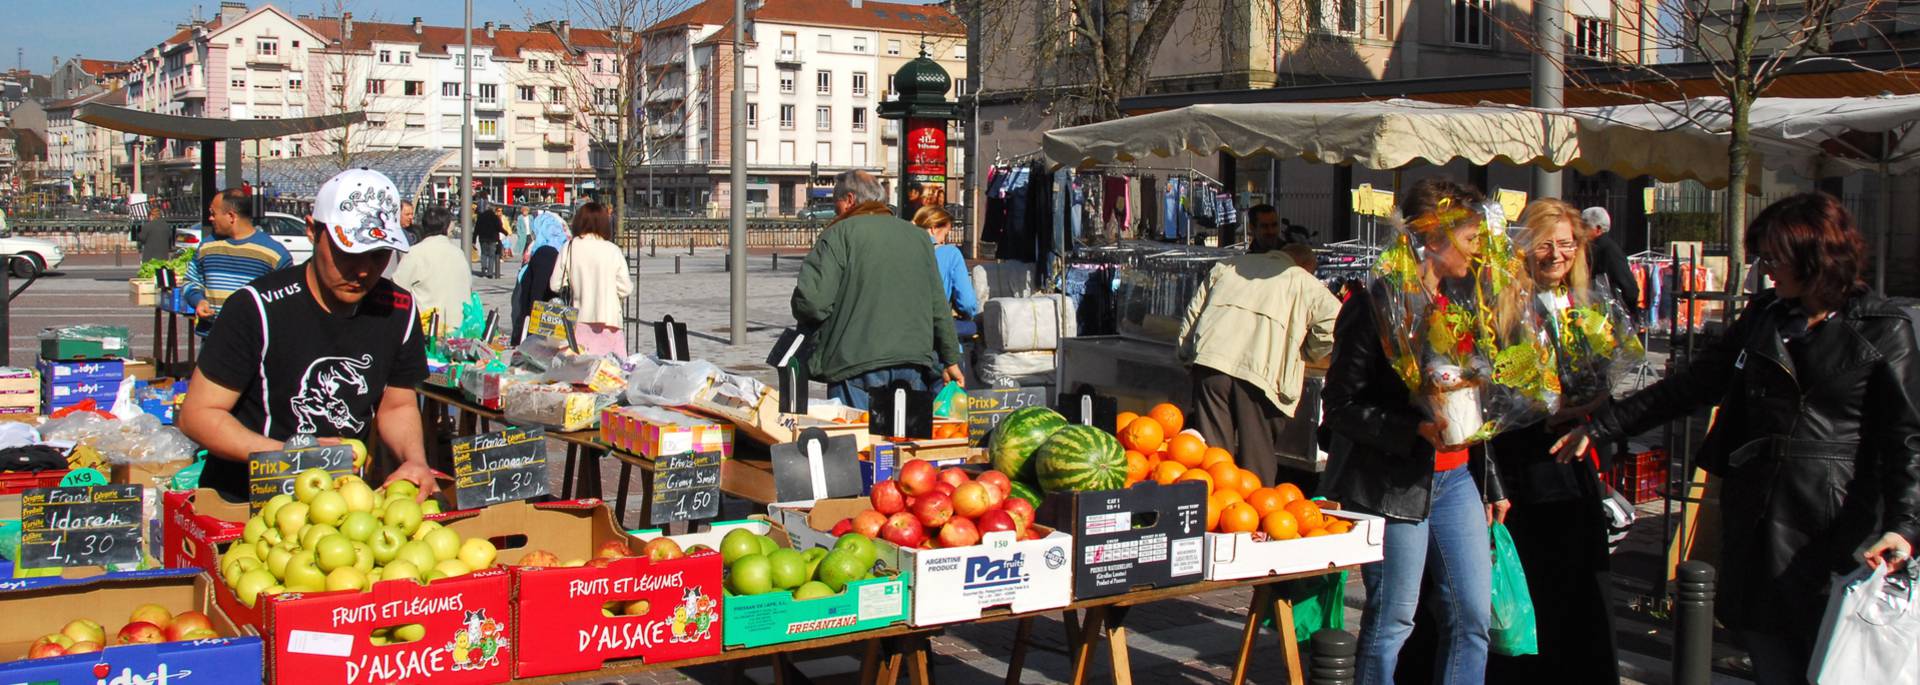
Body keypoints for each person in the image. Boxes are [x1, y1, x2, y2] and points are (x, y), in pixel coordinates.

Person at [1554, 192, 1920, 685]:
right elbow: (1691, 385)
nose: (1765, 269)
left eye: (1774, 257)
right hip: (1758, 509)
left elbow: (1906, 438)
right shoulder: (1767, 315)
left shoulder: (1882, 328)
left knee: (1835, 658)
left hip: (1836, 517)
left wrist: (1905, 526)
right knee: (1767, 649)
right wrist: (1602, 425)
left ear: (1814, 255)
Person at [1320, 177, 1508, 685]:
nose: (1479, 249)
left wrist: (1492, 482)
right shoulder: (1375, 305)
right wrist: (1414, 430)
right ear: (1434, 238)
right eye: (1471, 238)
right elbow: (1338, 407)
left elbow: (1473, 404)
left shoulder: (1463, 303)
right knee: (1393, 620)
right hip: (1394, 486)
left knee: (1472, 618)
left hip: (1458, 480)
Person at [177, 169, 437, 504]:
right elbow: (198, 414)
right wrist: (294, 455)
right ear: (313, 230)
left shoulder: (398, 309)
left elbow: (398, 405)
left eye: (378, 255)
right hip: (245, 501)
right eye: (349, 253)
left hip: (340, 507)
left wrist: (414, 459)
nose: (363, 270)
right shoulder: (256, 307)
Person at [1480, 199, 1619, 684]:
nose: (1557, 254)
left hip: (1575, 467)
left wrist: (1596, 403)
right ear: (1526, 247)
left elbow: (1602, 382)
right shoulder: (1504, 304)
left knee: (1581, 593)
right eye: (1546, 244)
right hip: (1526, 469)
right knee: (1533, 590)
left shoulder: (1588, 305)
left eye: (1566, 244)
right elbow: (1494, 396)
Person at [1178, 216, 1340, 487]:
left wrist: (1186, 357)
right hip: (1260, 374)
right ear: (1306, 267)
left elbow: (1192, 314)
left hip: (1211, 363)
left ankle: (1216, 515)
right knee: (1257, 461)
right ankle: (1252, 518)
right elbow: (1335, 319)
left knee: (1215, 459)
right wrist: (1308, 351)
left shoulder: (1229, 266)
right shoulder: (1300, 279)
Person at [793, 170, 963, 409]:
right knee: (905, 442)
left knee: (859, 440)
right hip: (913, 361)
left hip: (854, 363)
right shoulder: (918, 238)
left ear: (850, 200)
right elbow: (938, 305)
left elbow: (812, 303)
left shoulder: (838, 235)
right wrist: (951, 359)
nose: (835, 209)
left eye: (836, 202)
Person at [184, 188, 293, 333]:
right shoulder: (207, 246)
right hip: (212, 339)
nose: (210, 218)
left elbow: (287, 302)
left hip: (252, 343)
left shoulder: (275, 254)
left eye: (213, 214)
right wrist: (199, 301)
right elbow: (191, 281)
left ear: (231, 216)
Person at [548, 203, 631, 357]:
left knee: (579, 372)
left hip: (578, 321)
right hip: (609, 320)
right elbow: (625, 288)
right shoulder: (612, 250)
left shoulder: (570, 247)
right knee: (612, 373)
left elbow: (555, 284)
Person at [392, 207, 472, 333]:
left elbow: (397, 289)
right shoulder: (458, 253)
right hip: (460, 328)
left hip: (428, 330)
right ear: (446, 227)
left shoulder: (415, 253)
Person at [913, 206, 979, 354]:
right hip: (936, 341)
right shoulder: (950, 254)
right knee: (954, 375)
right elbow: (967, 302)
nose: (944, 240)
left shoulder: (899, 250)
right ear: (933, 228)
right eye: (945, 234)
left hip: (903, 339)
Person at [1581, 207, 1639, 321]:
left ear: (1598, 229)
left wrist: (1629, 311)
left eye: (1584, 227)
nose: (1580, 231)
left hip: (1610, 314)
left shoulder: (1608, 249)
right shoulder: (1594, 248)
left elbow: (1628, 286)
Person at [474, 201, 507, 278]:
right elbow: (499, 228)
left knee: (483, 253)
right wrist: (505, 232)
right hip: (493, 238)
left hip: (483, 238)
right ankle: (489, 273)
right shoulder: (495, 218)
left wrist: (474, 240)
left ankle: (483, 268)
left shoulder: (481, 217)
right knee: (491, 256)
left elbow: (476, 229)